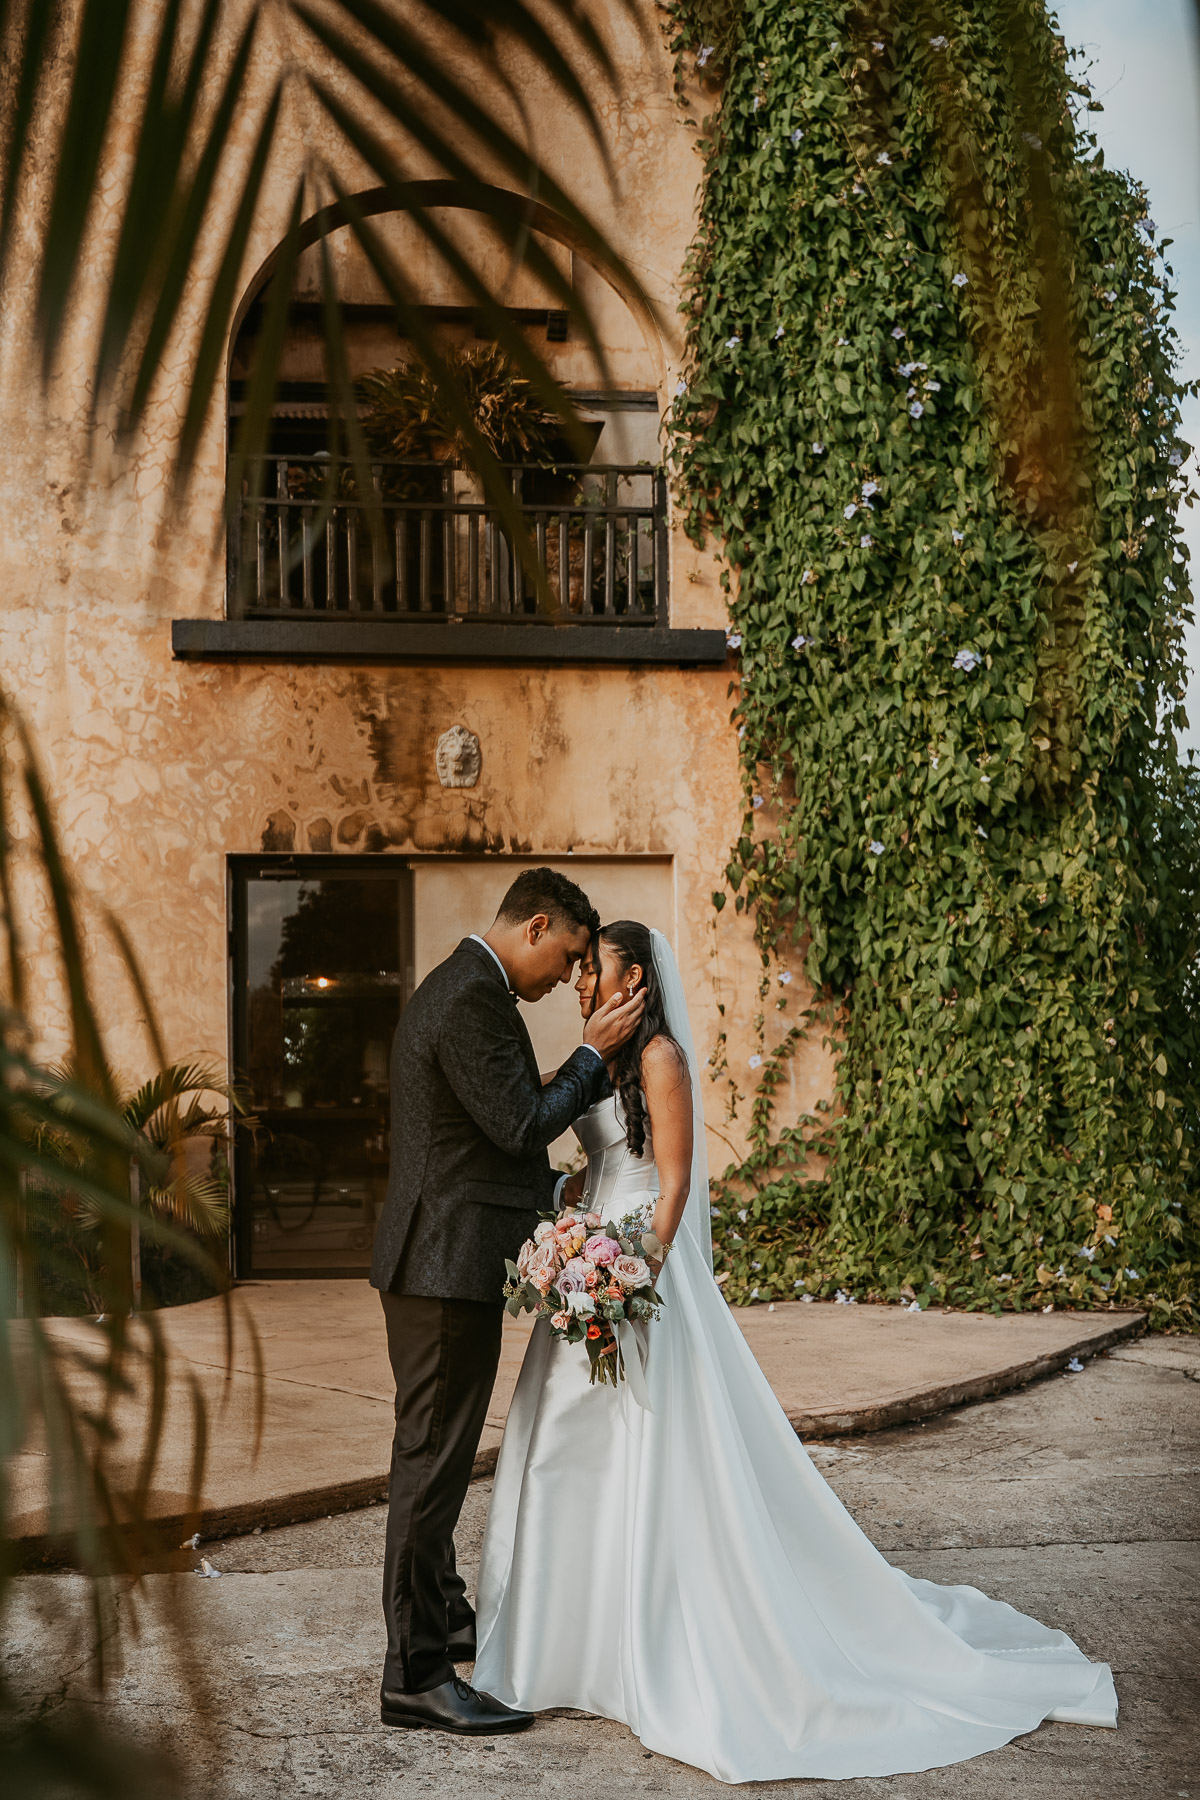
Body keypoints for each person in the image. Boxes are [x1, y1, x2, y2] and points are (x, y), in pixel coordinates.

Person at [473, 921, 1118, 1783]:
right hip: (589, 1261)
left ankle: (652, 1641)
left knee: (649, 1454)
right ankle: (566, 1646)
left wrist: (630, 1279)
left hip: (636, 1273)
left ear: (637, 981)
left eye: (596, 968)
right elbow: (582, 1150)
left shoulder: (659, 1058)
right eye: (582, 968)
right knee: (561, 1448)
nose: (582, 980)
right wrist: (569, 1239)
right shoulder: (599, 1058)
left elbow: (673, 1183)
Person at [369, 870, 645, 1737]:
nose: (567, 978)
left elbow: (486, 1130)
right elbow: (521, 1122)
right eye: (566, 956)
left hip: (444, 1260)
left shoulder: (470, 989)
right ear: (536, 925)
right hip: (442, 1267)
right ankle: (415, 1676)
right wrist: (592, 1058)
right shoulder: (470, 999)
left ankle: (448, 1617)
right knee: (430, 1466)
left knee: (437, 1459)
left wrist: (555, 1191)